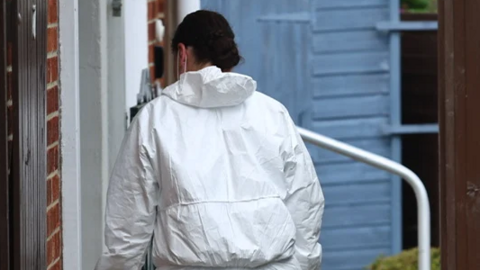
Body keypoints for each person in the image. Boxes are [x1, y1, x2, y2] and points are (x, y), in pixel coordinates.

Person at [95, 10, 324, 270]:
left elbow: (128, 223)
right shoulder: (273, 113)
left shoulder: (155, 119)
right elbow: (305, 201)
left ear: (182, 54)